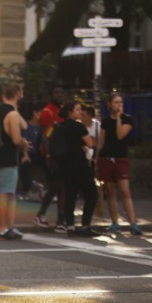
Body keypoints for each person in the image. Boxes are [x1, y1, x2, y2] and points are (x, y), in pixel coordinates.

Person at [0, 83, 29, 241]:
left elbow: (24, 124)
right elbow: (16, 139)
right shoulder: (12, 115)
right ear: (18, 94)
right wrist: (24, 145)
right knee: (6, 194)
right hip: (8, 158)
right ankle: (3, 229)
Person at [97, 92, 142, 235]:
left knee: (124, 191)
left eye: (121, 102)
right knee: (110, 192)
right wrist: (97, 159)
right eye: (116, 102)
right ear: (109, 104)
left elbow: (120, 135)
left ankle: (133, 222)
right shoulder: (104, 122)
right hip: (106, 158)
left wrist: (118, 119)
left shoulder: (127, 120)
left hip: (120, 158)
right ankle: (115, 222)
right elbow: (101, 143)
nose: (119, 105)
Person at [54, 101, 98, 236]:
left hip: (65, 167)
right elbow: (90, 143)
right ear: (70, 112)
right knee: (91, 194)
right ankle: (85, 226)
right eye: (78, 109)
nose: (80, 112)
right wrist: (85, 145)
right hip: (80, 166)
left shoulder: (59, 127)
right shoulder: (79, 127)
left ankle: (70, 226)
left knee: (70, 197)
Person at [34, 87, 66, 229]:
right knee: (56, 187)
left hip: (59, 154)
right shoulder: (47, 113)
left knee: (60, 188)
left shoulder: (61, 111)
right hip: (49, 156)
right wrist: (48, 156)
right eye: (56, 93)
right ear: (51, 95)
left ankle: (59, 219)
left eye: (61, 93)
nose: (59, 95)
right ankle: (46, 216)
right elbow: (44, 136)